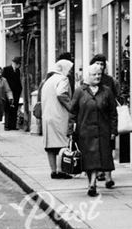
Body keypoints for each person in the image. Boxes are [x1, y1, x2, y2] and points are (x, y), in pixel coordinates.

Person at [69, 62, 117, 197]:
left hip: (102, 131)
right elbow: (73, 112)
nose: (97, 77)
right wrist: (70, 130)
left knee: (97, 160)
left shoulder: (106, 91)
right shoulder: (80, 91)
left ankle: (92, 184)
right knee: (88, 160)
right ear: (87, 76)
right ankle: (91, 183)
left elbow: (113, 113)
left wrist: (113, 131)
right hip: (84, 131)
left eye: (99, 74)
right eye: (94, 74)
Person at [40, 59, 75, 179]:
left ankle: (53, 171)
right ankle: (61, 170)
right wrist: (71, 107)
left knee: (50, 146)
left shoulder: (48, 81)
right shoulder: (63, 79)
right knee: (62, 144)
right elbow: (61, 93)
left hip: (47, 116)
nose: (70, 72)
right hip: (59, 116)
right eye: (69, 69)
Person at [89, 54, 119, 184]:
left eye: (102, 64)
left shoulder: (109, 81)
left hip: (106, 120)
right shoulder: (87, 82)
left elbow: (114, 100)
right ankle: (98, 174)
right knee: (95, 149)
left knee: (107, 149)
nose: (100, 67)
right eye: (97, 64)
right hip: (92, 121)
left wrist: (114, 127)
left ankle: (107, 175)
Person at [1, 56, 23, 131]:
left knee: (14, 109)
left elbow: (18, 82)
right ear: (16, 63)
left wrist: (20, 90)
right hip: (8, 92)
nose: (19, 66)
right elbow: (3, 81)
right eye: (19, 64)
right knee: (8, 109)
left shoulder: (18, 71)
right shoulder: (6, 69)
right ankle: (7, 125)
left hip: (16, 93)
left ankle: (13, 125)